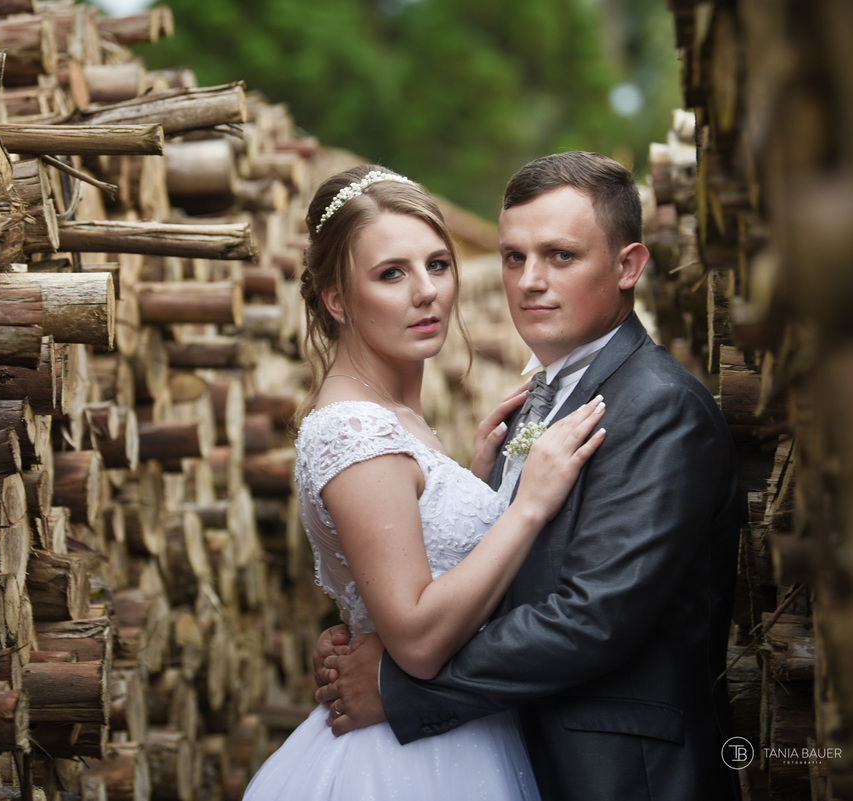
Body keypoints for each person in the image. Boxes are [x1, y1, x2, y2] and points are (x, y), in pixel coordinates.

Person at [314, 152, 743, 801]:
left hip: (622, 776)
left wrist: (392, 683)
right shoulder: (539, 406)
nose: (529, 281)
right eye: (513, 257)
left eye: (560, 256)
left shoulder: (658, 408)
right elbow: (502, 578)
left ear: (628, 266)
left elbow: (590, 618)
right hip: (523, 755)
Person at [241, 164, 608, 800]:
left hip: (458, 730)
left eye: (438, 265)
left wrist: (475, 485)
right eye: (391, 273)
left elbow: (416, 558)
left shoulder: (395, 418)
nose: (426, 292)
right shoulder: (354, 429)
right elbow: (413, 641)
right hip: (409, 764)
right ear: (335, 299)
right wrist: (526, 506)